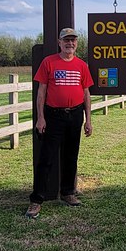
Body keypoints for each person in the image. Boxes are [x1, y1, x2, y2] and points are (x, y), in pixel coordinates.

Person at [26, 27, 94, 218]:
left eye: (73, 40)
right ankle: (36, 200)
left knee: (71, 157)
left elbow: (86, 93)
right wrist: (41, 117)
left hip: (75, 115)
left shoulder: (82, 65)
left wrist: (88, 119)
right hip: (53, 116)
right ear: (59, 42)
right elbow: (41, 92)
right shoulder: (49, 62)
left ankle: (68, 193)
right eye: (66, 40)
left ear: (76, 43)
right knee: (46, 159)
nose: (69, 44)